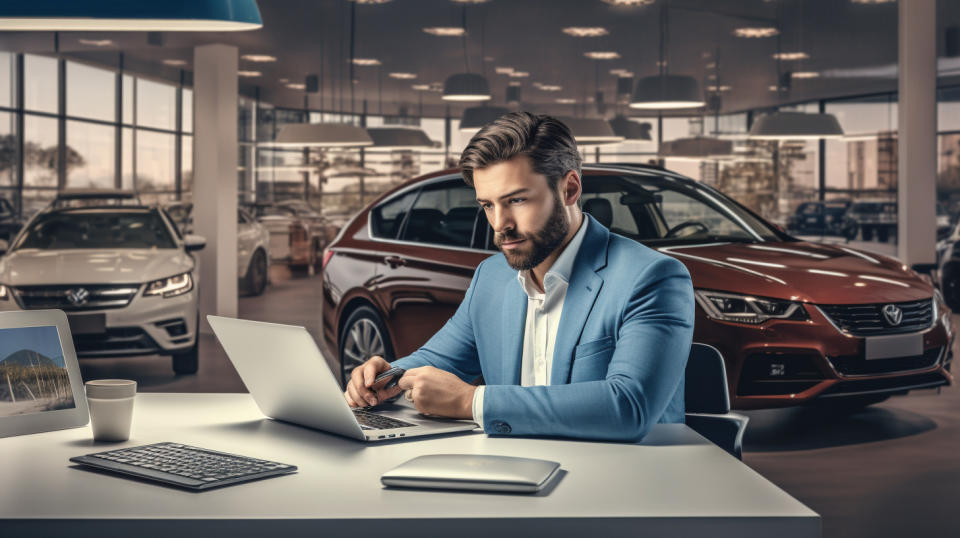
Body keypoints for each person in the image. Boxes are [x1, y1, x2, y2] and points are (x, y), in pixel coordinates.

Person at [344, 112, 695, 441]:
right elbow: (437, 362)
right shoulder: (492, 277)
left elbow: (629, 407)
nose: (500, 225)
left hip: (624, 485)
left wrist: (472, 403)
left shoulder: (652, 278)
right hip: (513, 473)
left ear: (570, 189)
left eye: (517, 200)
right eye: (488, 205)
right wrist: (383, 378)